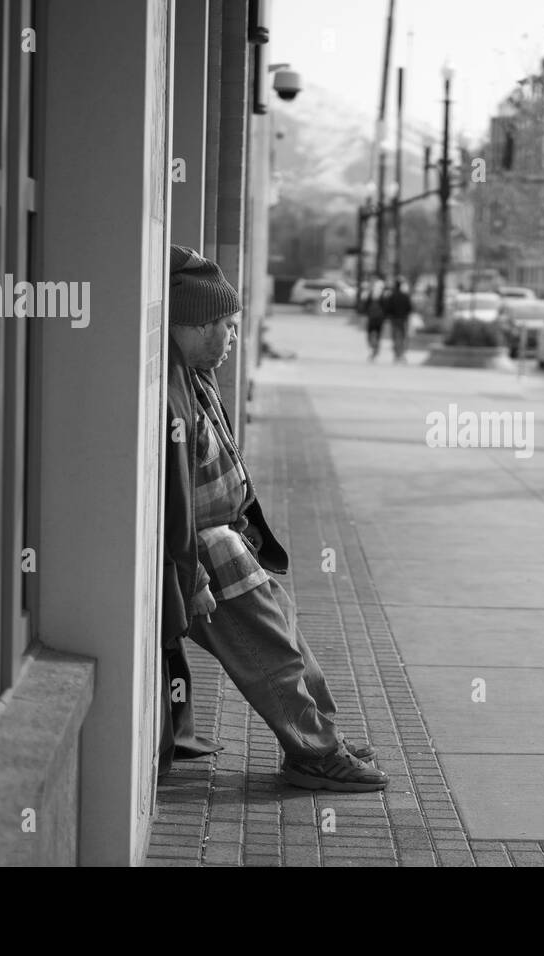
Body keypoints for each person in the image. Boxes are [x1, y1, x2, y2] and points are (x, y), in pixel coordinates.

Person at [161, 245, 388, 792]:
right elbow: (173, 499)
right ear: (192, 324)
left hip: (228, 541)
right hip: (207, 553)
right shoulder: (170, 389)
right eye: (225, 324)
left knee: (288, 640)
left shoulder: (193, 372)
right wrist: (188, 576)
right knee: (272, 654)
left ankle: (322, 736)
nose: (233, 336)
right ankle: (313, 753)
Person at [383, 276, 413, 363]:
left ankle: (397, 354)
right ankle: (401, 354)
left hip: (394, 319)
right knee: (402, 337)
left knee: (395, 336)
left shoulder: (391, 296)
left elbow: (387, 308)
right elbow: (409, 308)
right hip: (403, 319)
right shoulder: (405, 296)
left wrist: (388, 316)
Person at [363, 275, 386, 361]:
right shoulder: (383, 296)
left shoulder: (370, 295)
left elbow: (365, 307)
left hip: (372, 318)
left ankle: (373, 349)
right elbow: (385, 308)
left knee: (370, 335)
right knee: (378, 335)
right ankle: (375, 350)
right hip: (379, 319)